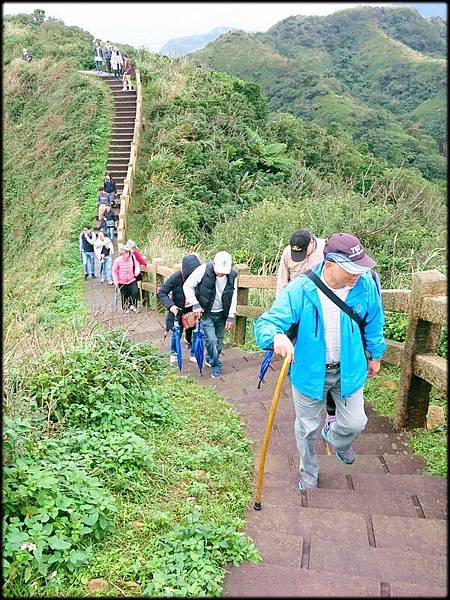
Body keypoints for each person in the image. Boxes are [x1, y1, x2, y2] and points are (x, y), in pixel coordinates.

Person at [254, 233, 386, 491]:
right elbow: (266, 323)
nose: (357, 273)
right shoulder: (301, 289)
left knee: (355, 422)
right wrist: (277, 336)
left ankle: (337, 440)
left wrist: (376, 354)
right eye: (351, 268)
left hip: (350, 369)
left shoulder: (365, 284)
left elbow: (374, 320)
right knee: (306, 429)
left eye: (361, 266)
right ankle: (308, 473)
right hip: (309, 372)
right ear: (329, 265)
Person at [183, 251, 238, 379]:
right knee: (211, 340)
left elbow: (233, 296)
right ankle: (215, 365)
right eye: (219, 270)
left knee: (218, 342)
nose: (221, 273)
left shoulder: (232, 276)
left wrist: (231, 315)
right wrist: (195, 304)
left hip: (222, 313)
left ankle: (210, 358)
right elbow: (188, 286)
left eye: (224, 271)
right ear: (214, 264)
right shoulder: (203, 270)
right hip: (206, 312)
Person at [158, 253, 202, 364]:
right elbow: (162, 292)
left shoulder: (199, 278)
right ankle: (174, 352)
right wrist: (171, 306)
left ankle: (193, 353)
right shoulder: (176, 277)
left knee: (195, 330)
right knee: (177, 332)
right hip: (177, 309)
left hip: (192, 309)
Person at [276, 229, 326, 299]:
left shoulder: (325, 248)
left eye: (304, 251)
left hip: (320, 297)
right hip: (296, 296)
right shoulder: (287, 252)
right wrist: (280, 303)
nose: (302, 255)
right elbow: (282, 281)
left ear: (311, 242)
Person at [112, 245, 141, 313]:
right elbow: (114, 271)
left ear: (129, 252)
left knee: (135, 292)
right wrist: (115, 281)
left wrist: (137, 271)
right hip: (122, 281)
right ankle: (125, 308)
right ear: (121, 254)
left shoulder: (132, 258)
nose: (126, 255)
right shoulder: (117, 260)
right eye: (124, 253)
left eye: (127, 253)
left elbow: (136, 265)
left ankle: (133, 305)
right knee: (124, 295)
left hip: (132, 279)